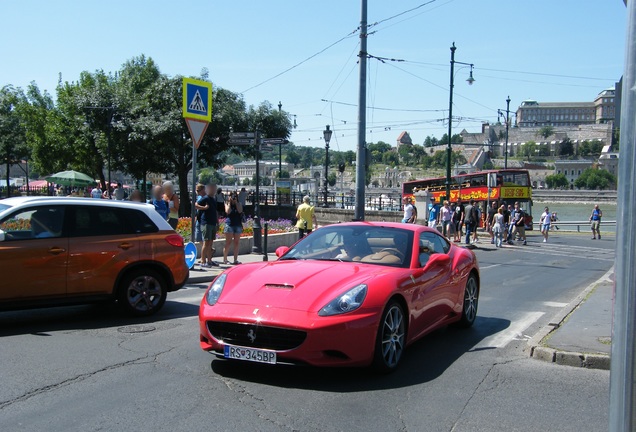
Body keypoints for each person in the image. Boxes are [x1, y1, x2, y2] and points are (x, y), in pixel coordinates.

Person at [195, 184, 219, 267]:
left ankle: (209, 260)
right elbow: (196, 205)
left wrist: (217, 222)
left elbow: (215, 211)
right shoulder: (205, 198)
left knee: (210, 243)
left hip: (212, 223)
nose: (214, 191)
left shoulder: (213, 199)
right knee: (206, 242)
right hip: (206, 223)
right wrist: (204, 208)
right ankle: (202, 261)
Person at [223, 192, 243, 265]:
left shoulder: (239, 203)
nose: (233, 198)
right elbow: (228, 211)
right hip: (229, 225)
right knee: (228, 242)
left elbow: (240, 211)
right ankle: (225, 259)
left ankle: (235, 259)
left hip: (237, 225)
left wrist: (236, 202)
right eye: (232, 196)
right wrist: (230, 203)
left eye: (235, 196)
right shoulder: (227, 203)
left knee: (236, 242)